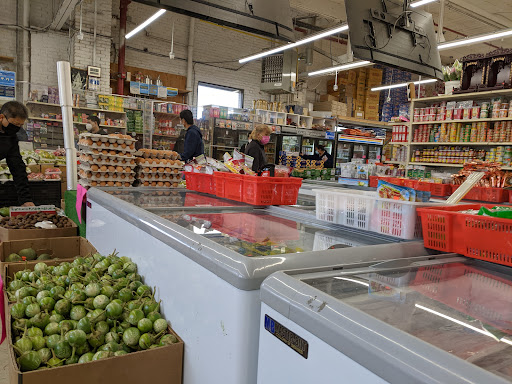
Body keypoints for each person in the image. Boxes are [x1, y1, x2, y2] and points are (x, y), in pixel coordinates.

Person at [0, 101, 34, 206]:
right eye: (15, 124)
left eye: (20, 125)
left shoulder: (11, 137)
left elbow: (17, 166)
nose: (17, 128)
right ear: (2, 117)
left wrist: (25, 199)